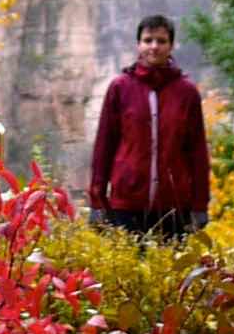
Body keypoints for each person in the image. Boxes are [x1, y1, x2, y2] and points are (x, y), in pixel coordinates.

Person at [88, 12, 210, 240]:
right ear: (138, 44)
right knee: (126, 272)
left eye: (161, 41)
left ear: (171, 46)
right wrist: (97, 201)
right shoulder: (120, 88)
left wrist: (200, 205)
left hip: (174, 206)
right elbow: (104, 147)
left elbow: (197, 152)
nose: (154, 47)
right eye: (148, 40)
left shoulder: (186, 92)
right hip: (126, 203)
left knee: (172, 273)